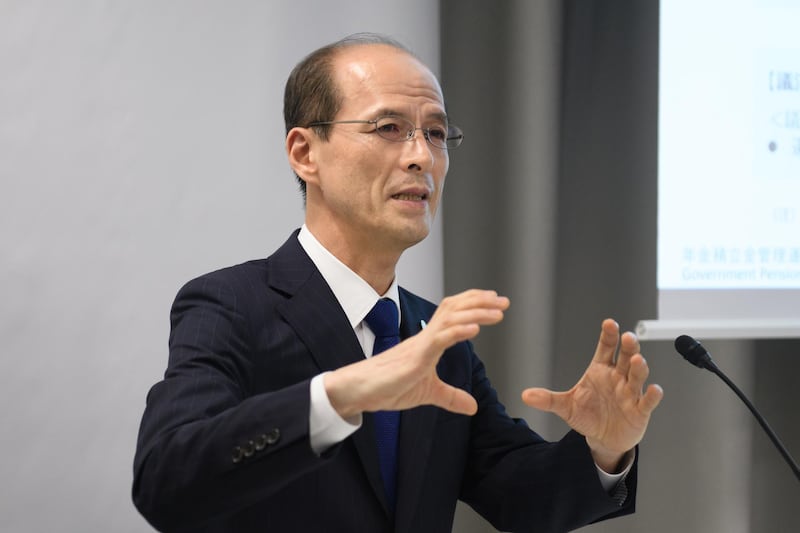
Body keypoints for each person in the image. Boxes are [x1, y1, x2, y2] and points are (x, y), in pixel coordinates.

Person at [132, 33, 663, 533]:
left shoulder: (435, 335)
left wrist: (604, 449)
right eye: (388, 128)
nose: (421, 157)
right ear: (304, 152)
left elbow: (524, 498)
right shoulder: (231, 305)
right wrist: (344, 393)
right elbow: (167, 481)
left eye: (435, 133)